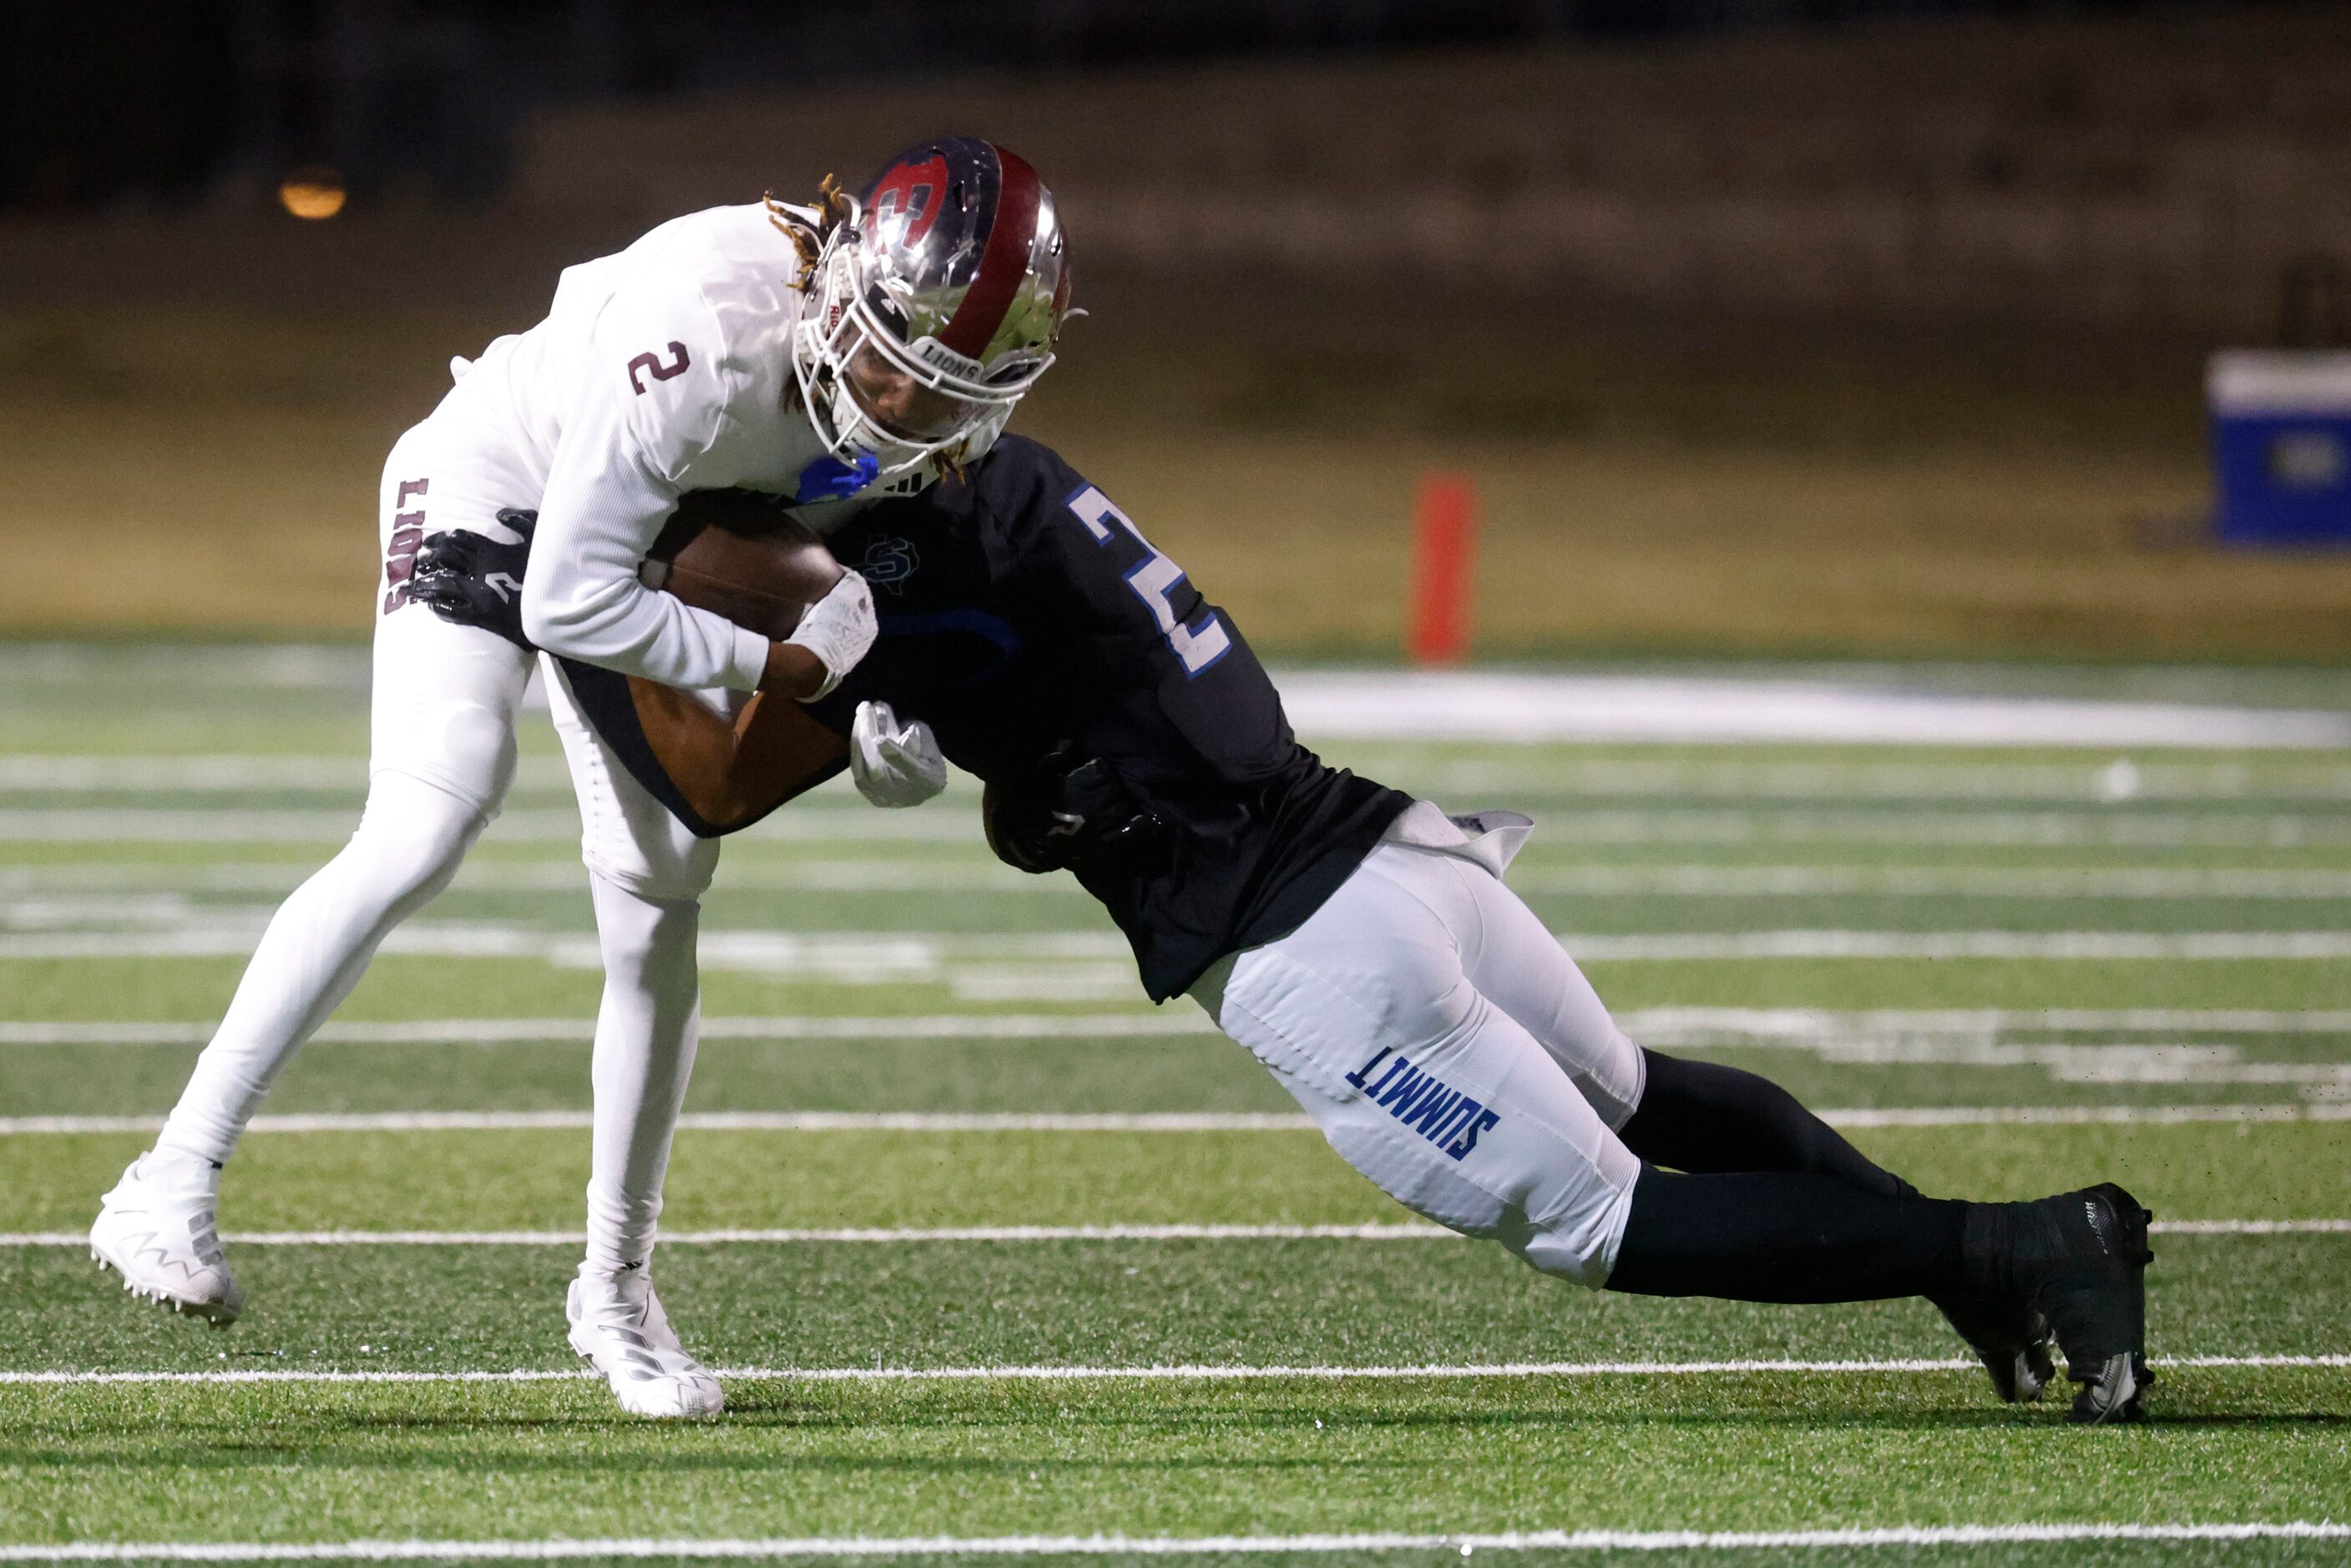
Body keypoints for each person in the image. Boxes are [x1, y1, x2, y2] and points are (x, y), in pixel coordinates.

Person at [426, 432, 2157, 1424]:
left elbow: (717, 782)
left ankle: (2022, 1248)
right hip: (1396, 849)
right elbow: (1044, 714)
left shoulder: (892, 573)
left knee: (1605, 1225)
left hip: (1320, 950)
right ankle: (1978, 1275)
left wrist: (568, 605)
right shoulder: (1018, 480)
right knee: (1645, 1089)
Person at [88, 138, 1075, 1421]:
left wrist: (884, 715)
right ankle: (168, 1175)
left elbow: (832, 577)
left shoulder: (918, 416)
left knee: (664, 888)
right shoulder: (707, 341)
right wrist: (789, 670)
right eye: (896, 368)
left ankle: (615, 1291)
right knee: (435, 805)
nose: (904, 414)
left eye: (951, 396)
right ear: (849, 295)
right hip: (500, 486)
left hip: (650, 530)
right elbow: (568, 594)